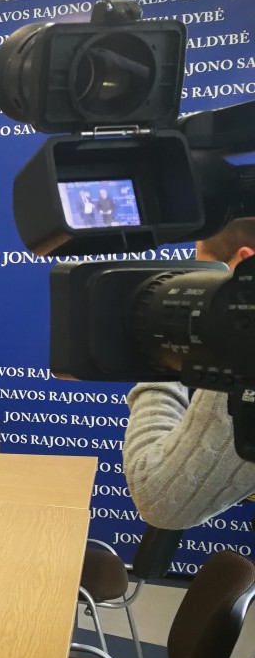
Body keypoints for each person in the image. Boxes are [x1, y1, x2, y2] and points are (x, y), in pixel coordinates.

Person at [124, 218, 255, 529]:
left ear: (245, 264)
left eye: (210, 277)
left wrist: (161, 360)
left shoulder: (244, 355)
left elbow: (159, 497)